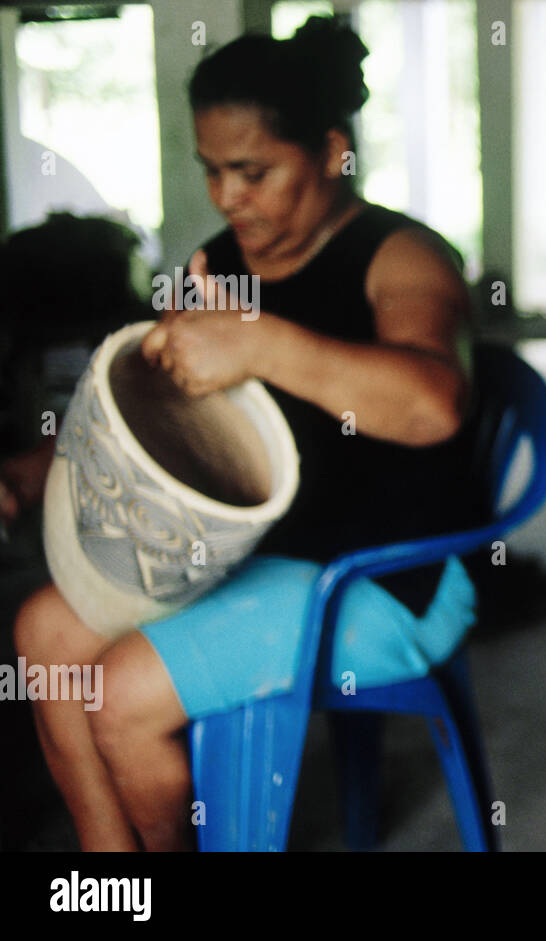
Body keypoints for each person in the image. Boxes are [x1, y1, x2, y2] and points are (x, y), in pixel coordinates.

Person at [9, 17, 483, 851]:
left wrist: (259, 341)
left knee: (120, 694)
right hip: (250, 557)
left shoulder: (400, 259)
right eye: (213, 171)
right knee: (45, 634)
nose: (228, 196)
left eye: (252, 171)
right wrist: (29, 472)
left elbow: (434, 404)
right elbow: (147, 421)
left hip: (383, 574)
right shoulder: (215, 266)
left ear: (332, 150)